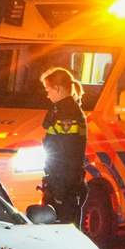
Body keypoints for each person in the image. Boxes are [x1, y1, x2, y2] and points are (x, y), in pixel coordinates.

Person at [39, 67, 88, 224]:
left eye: (48, 90)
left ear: (58, 89)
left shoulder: (67, 113)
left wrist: (60, 190)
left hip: (64, 183)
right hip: (61, 181)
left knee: (64, 226)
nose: (47, 95)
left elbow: (68, 152)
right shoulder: (62, 110)